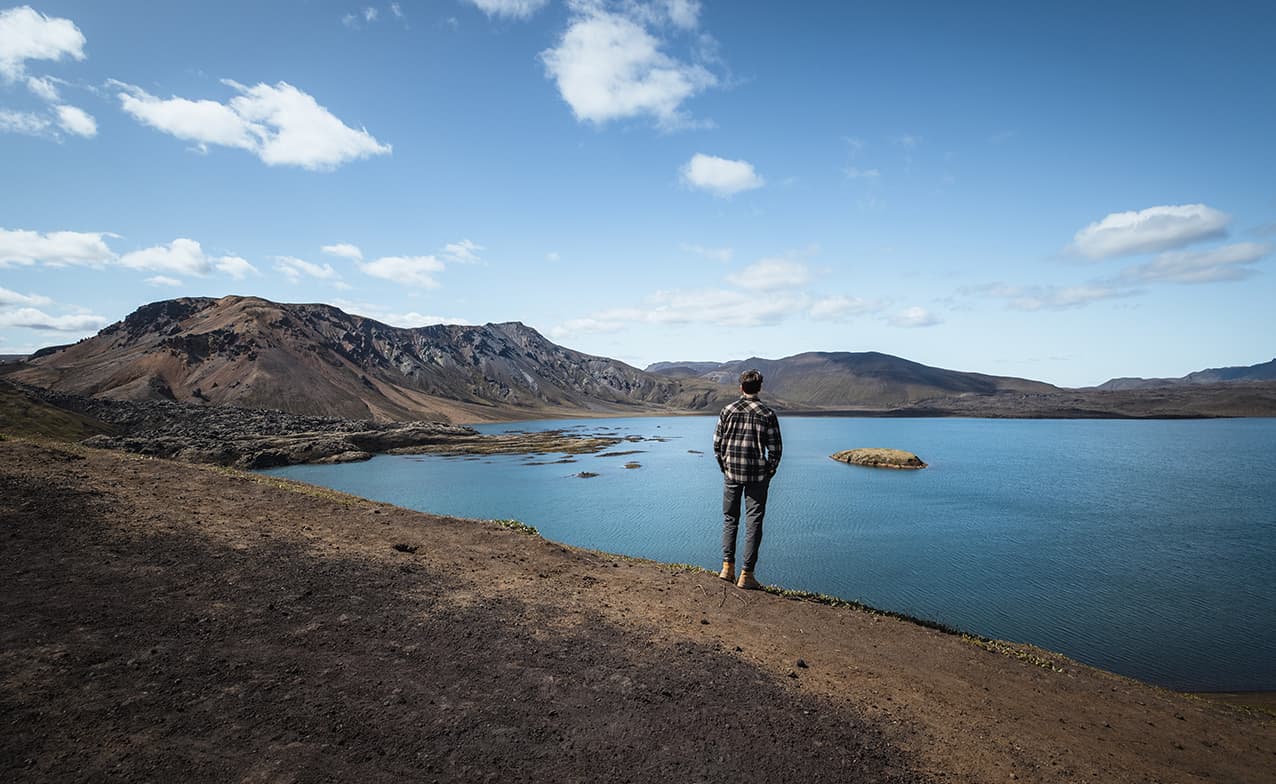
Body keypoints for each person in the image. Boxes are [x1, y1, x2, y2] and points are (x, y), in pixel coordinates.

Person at [713, 369, 782, 590]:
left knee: (730, 519)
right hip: (757, 476)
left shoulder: (727, 410)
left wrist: (726, 467)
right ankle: (746, 575)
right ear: (759, 387)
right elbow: (776, 450)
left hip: (732, 473)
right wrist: (768, 471)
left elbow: (717, 445)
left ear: (741, 387)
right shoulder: (767, 414)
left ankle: (727, 568)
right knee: (754, 523)